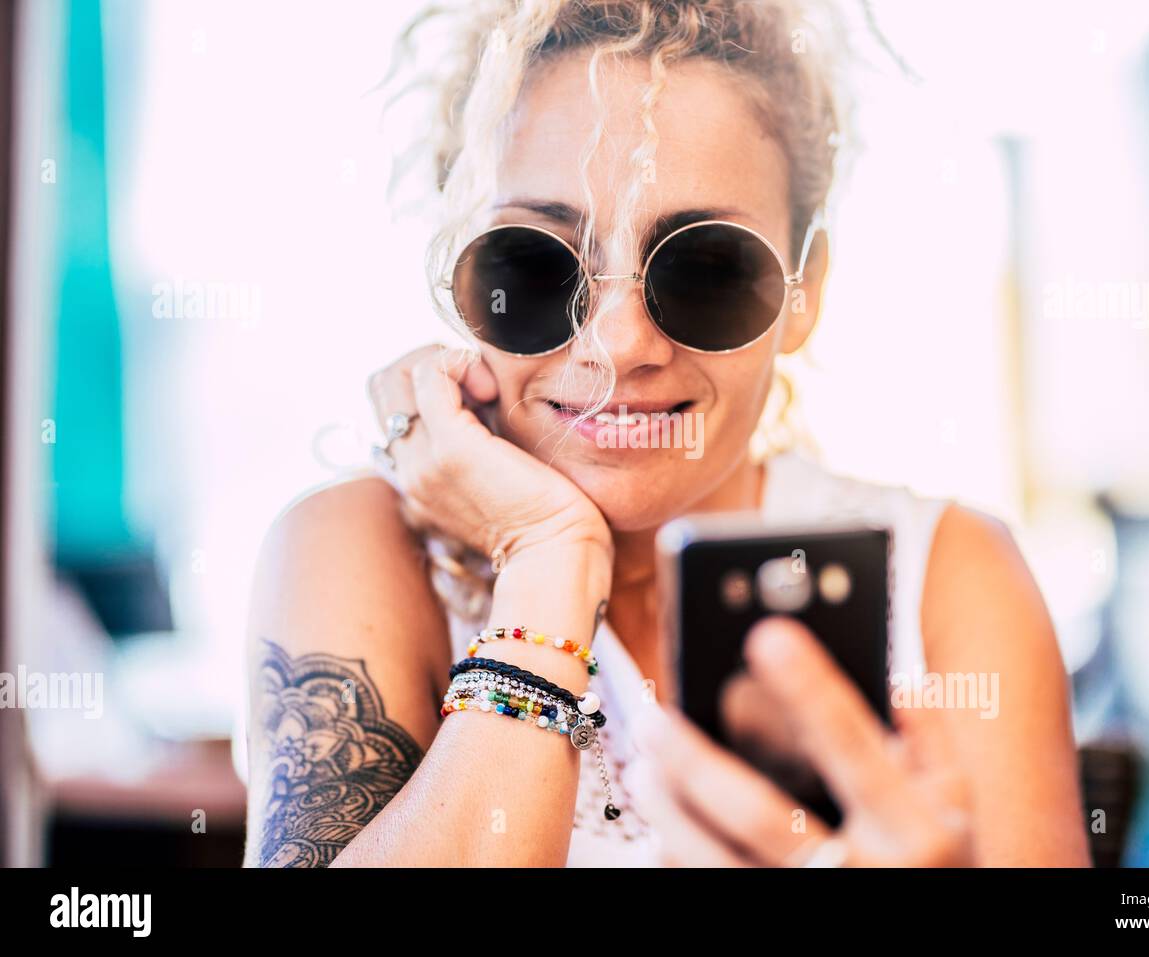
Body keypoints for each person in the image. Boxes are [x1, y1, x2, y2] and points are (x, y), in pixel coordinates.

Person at [242, 0, 1090, 868]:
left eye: (707, 270)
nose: (621, 344)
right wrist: (546, 561)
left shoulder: (944, 577)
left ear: (808, 291)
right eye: (540, 264)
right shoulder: (357, 550)